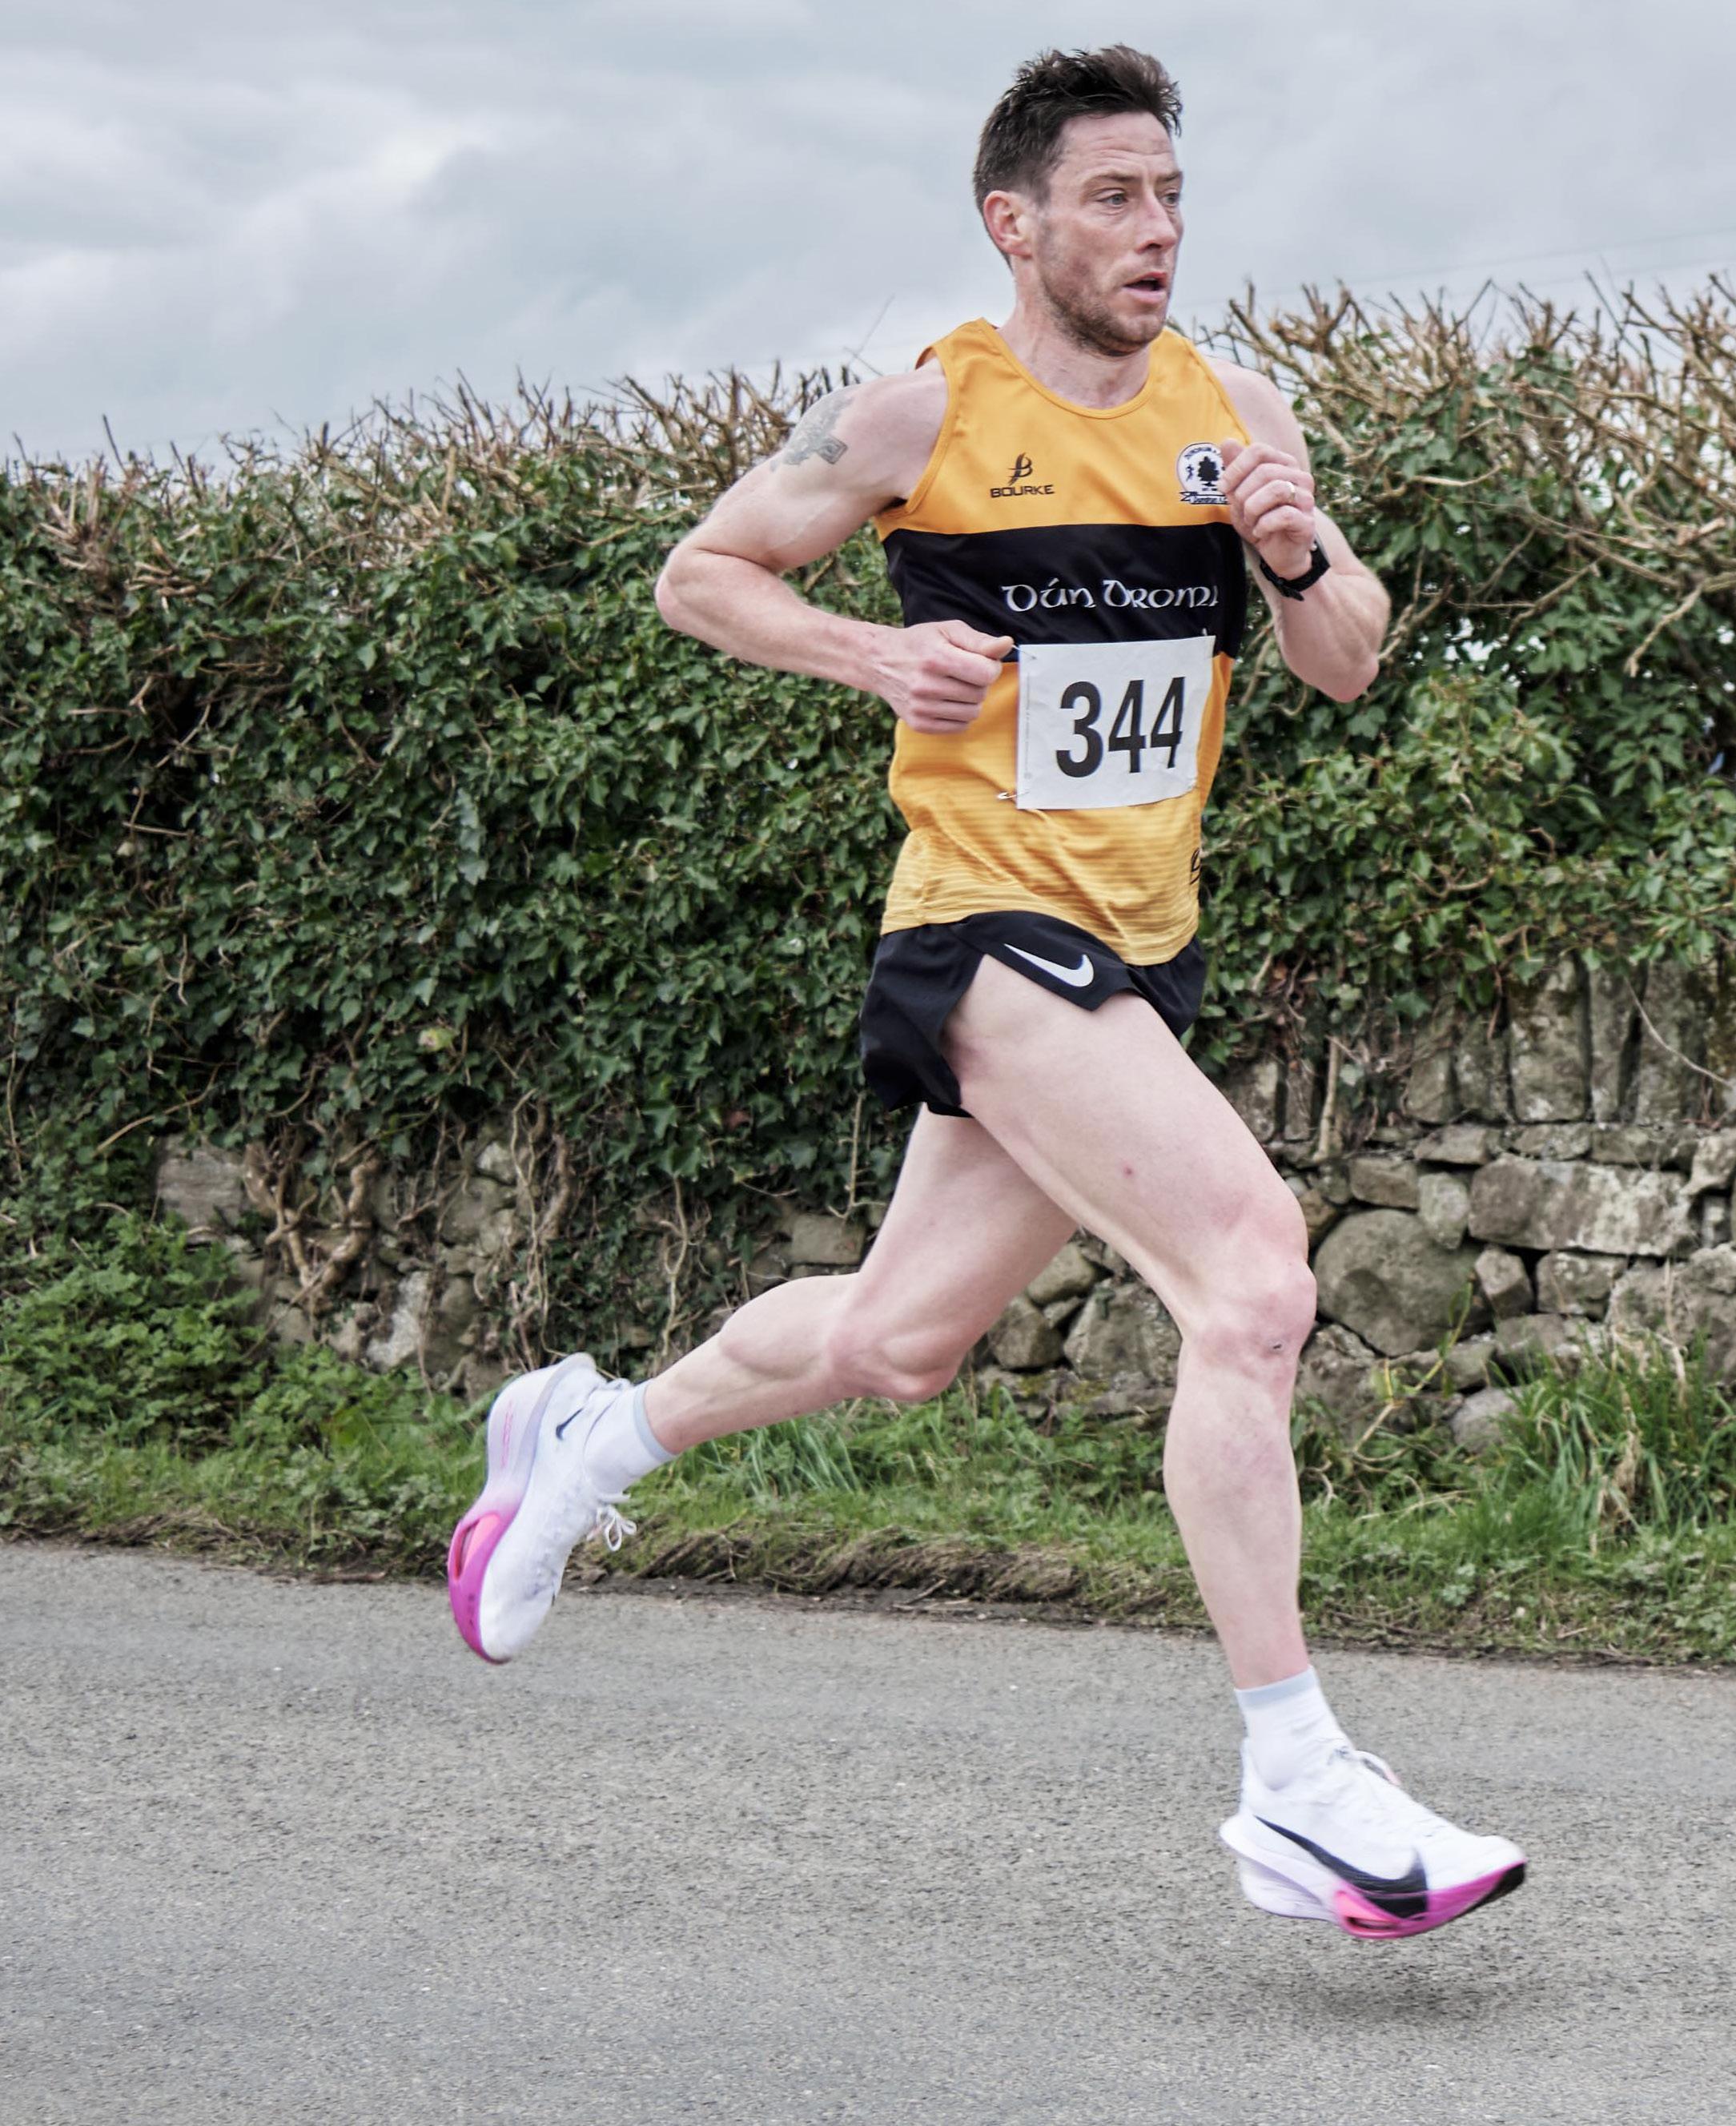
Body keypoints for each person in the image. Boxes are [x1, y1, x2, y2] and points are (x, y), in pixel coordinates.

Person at [445, 43, 1525, 1941]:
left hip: (1137, 947)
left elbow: (1348, 658)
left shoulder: (1231, 412)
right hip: (985, 927)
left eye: (1170, 195)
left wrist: (1289, 550)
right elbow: (698, 576)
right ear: (1010, 223)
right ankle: (1296, 1775)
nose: (1155, 230)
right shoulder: (919, 415)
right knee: (1253, 1277)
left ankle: (584, 1439)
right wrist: (871, 656)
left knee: (893, 1340)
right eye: (1111, 197)